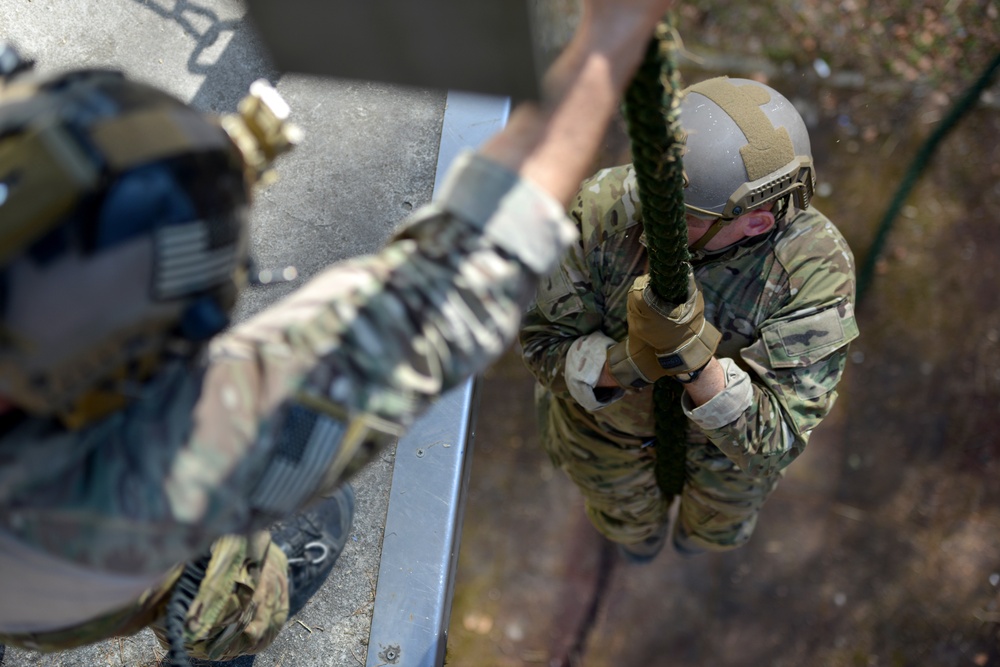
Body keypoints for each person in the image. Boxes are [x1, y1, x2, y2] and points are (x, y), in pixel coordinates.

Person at [0, 0, 675, 663]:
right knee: (266, 561)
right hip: (47, 583)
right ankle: (214, 636)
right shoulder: (145, 480)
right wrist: (610, 38)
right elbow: (444, 295)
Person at [520, 76, 859, 561]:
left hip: (724, 466)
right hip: (606, 440)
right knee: (625, 525)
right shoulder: (607, 207)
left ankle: (691, 547)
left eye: (686, 213)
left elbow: (776, 441)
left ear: (756, 220)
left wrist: (696, 362)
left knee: (713, 532)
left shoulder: (813, 273)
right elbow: (541, 345)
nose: (657, 216)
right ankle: (637, 547)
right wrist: (626, 363)